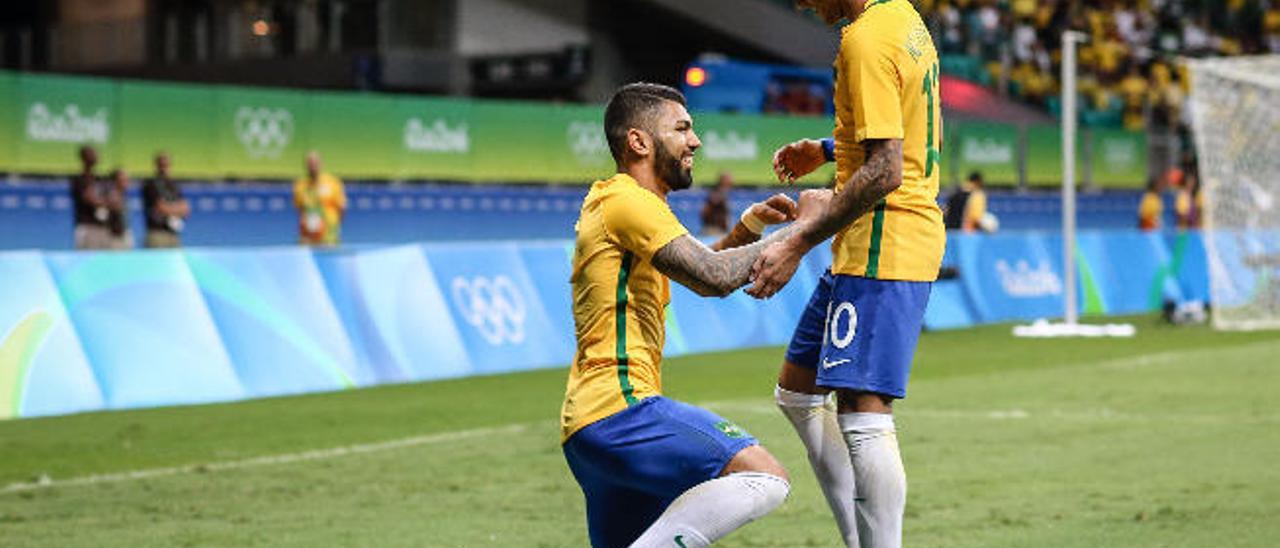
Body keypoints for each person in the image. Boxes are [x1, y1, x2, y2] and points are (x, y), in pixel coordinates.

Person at [560, 82, 830, 548]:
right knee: (764, 477)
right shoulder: (628, 201)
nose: (696, 140)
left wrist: (748, 228)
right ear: (639, 142)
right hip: (622, 409)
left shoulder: (625, 203)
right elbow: (713, 276)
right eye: (682, 127)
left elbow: (703, 271)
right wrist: (805, 229)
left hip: (590, 425)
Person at [749, 1, 948, 546]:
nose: (804, 3)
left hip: (887, 239)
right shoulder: (901, 17)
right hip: (869, 241)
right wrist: (826, 148)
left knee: (862, 408)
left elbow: (885, 170)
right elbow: (902, 130)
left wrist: (798, 241)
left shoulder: (865, 40)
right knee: (797, 393)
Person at [293, 151, 347, 246]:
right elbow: (300, 210)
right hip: (308, 237)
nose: (313, 166)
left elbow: (342, 208)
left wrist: (334, 228)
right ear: (305, 165)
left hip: (329, 237)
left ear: (321, 164)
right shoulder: (300, 185)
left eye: (315, 163)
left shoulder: (332, 182)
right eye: (310, 163)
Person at [70, 145, 117, 250]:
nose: (96, 156)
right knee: (87, 258)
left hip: (103, 226)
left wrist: (105, 202)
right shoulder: (79, 179)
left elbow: (113, 200)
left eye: (96, 153)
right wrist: (105, 202)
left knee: (103, 261)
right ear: (84, 157)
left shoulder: (101, 179)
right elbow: (89, 199)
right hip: (87, 227)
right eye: (92, 154)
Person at [142, 152, 191, 248]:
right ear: (156, 165)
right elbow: (160, 207)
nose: (164, 167)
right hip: (157, 234)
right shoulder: (151, 184)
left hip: (173, 233)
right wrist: (176, 209)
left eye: (166, 165)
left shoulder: (174, 184)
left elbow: (186, 208)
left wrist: (170, 209)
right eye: (162, 165)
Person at [699, 172, 734, 236]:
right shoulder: (717, 194)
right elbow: (704, 211)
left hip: (719, 230)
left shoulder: (722, 193)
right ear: (723, 181)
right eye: (729, 180)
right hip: (714, 230)